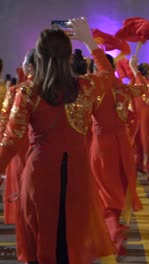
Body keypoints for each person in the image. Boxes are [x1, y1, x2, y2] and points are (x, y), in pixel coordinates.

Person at [0, 18, 115, 263]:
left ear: (38, 57)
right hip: (77, 175)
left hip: (40, 173)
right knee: (70, 239)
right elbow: (108, 73)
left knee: (41, 237)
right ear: (68, 56)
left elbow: (10, 141)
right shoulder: (86, 86)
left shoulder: (27, 92)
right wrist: (88, 40)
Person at [89, 53, 148, 256]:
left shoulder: (94, 89)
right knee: (117, 188)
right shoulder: (122, 88)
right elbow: (143, 89)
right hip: (122, 144)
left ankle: (115, 231)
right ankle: (115, 232)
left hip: (102, 144)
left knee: (104, 190)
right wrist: (134, 70)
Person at [0, 48, 35, 225]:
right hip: (45, 154)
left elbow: (5, 126)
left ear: (29, 67)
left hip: (19, 150)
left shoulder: (16, 91)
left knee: (22, 203)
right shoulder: (59, 92)